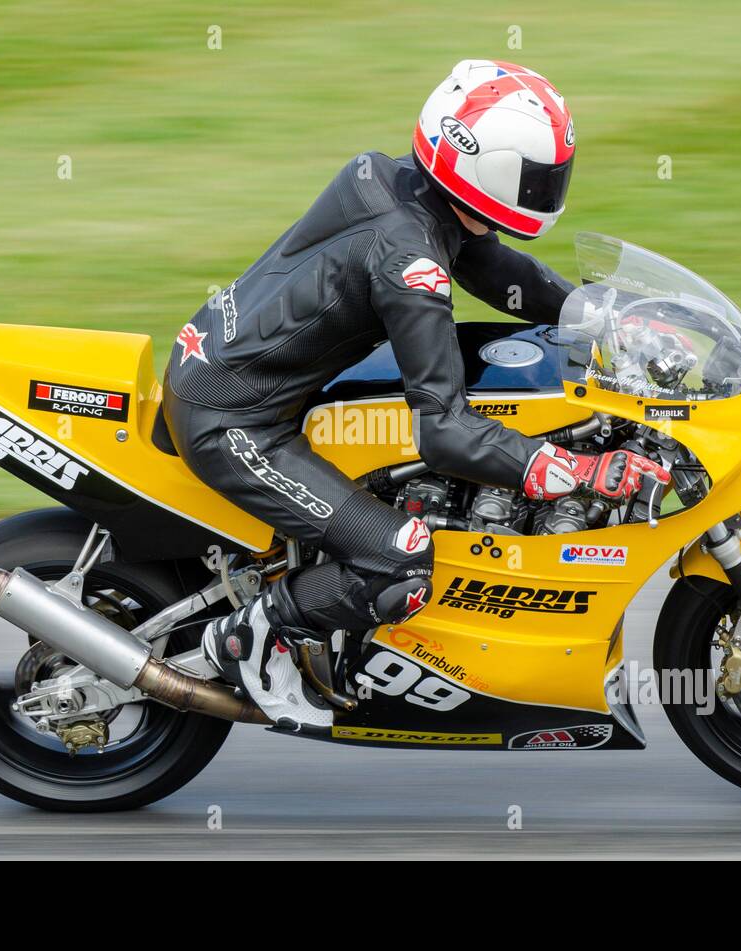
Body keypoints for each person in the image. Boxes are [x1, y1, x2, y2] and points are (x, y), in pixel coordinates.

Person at [161, 59, 668, 732]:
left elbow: (490, 265)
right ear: (483, 169)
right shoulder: (412, 264)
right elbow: (445, 431)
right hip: (231, 418)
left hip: (227, 368)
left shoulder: (390, 179)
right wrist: (577, 470)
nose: (549, 192)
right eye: (538, 178)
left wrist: (596, 314)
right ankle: (252, 635)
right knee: (400, 557)